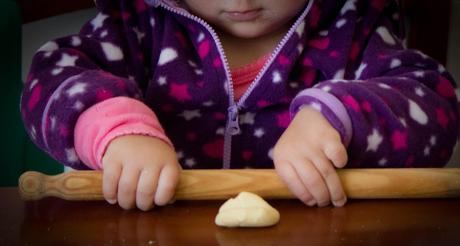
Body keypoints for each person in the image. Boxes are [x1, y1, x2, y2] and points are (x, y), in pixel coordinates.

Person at [21, 0, 459, 211]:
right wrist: (114, 127)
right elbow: (50, 81)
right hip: (147, 239)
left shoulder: (354, 28)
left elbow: (436, 103)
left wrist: (338, 113)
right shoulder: (134, 27)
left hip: (321, 243)